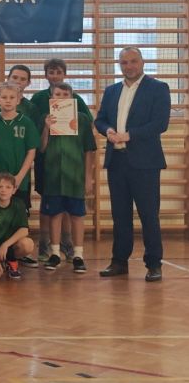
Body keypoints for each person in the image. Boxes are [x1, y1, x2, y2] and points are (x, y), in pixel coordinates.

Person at [94, 47, 170, 282]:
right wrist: (108, 130)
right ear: (120, 65)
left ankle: (154, 264)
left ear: (142, 62)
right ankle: (119, 261)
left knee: (149, 215)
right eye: (124, 62)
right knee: (120, 215)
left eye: (133, 61)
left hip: (145, 163)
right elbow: (100, 120)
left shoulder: (158, 88)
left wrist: (129, 135)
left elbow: (160, 123)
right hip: (117, 161)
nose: (129, 66)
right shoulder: (112, 90)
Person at [29, 58, 91, 266]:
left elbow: (88, 144)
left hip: (74, 170)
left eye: (58, 72)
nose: (55, 76)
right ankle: (47, 247)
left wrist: (88, 176)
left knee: (74, 211)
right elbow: (39, 142)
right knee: (51, 208)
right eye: (51, 72)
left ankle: (71, 247)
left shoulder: (80, 112)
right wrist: (46, 127)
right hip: (49, 167)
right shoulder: (39, 100)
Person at [40, 82, 96, 273]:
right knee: (54, 214)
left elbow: (89, 150)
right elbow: (42, 148)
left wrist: (88, 178)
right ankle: (55, 253)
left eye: (65, 95)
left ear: (72, 98)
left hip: (75, 176)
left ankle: (78, 254)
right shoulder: (46, 118)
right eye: (58, 94)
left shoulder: (82, 119)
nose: (61, 98)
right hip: (54, 176)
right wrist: (46, 128)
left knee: (77, 215)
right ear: (52, 97)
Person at [0, 173, 36, 281]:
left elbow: (24, 230)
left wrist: (5, 245)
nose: (4, 190)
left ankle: (10, 260)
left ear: (14, 190)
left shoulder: (19, 204)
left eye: (8, 187)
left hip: (8, 246)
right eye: (0, 187)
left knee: (28, 244)